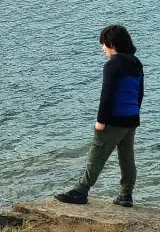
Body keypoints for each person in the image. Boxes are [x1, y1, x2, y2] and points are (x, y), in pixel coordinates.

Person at [54, 24, 144, 207]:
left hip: (114, 119)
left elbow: (107, 94)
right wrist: (134, 114)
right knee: (127, 158)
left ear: (111, 42)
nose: (103, 48)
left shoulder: (112, 65)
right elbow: (139, 93)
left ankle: (80, 191)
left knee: (96, 154)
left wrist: (101, 121)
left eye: (103, 44)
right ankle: (126, 195)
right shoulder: (136, 63)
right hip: (131, 118)